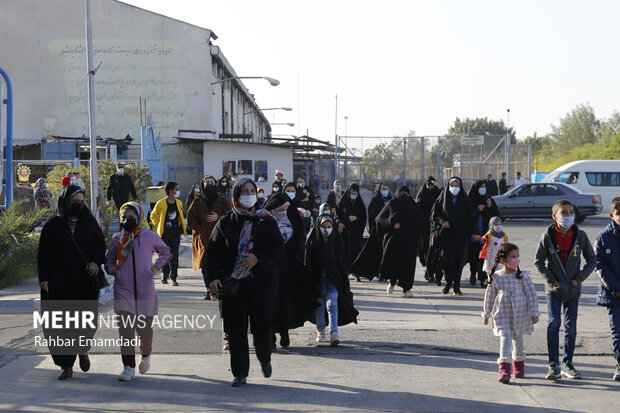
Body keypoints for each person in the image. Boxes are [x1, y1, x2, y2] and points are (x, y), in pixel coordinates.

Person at [204, 177, 284, 387]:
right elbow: (212, 253)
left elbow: (278, 247)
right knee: (236, 329)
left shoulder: (266, 219)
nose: (249, 195)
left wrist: (257, 258)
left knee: (262, 328)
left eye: (252, 191)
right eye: (244, 191)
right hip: (233, 286)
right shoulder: (226, 221)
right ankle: (240, 372)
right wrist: (212, 278)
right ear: (236, 195)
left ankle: (264, 358)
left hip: (262, 283)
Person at [37, 185, 105, 380]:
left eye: (82, 202)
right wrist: (44, 279)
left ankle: (82, 349)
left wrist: (95, 262)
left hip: (83, 283)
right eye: (74, 202)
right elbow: (43, 254)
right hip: (58, 284)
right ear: (65, 202)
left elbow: (100, 245)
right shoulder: (53, 225)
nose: (78, 205)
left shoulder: (90, 223)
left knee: (85, 323)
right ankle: (66, 365)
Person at [105, 201, 170, 382]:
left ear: (139, 217)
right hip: (123, 288)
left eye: (131, 217)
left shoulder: (148, 236)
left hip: (145, 289)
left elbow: (165, 251)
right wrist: (113, 270)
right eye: (123, 217)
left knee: (144, 330)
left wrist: (157, 267)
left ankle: (146, 354)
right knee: (125, 329)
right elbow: (109, 259)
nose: (127, 220)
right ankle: (128, 367)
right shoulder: (118, 238)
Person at [534, 199, 595, 380]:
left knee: (571, 327)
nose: (568, 216)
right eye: (563, 213)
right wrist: (552, 281)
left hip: (573, 290)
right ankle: (553, 364)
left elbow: (592, 260)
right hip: (554, 290)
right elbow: (539, 262)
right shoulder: (548, 235)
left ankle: (567, 363)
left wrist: (578, 279)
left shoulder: (581, 235)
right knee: (554, 324)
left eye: (571, 212)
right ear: (555, 216)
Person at [263, 192, 318, 349]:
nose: (284, 212)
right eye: (281, 209)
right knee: (269, 302)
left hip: (289, 270)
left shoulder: (294, 221)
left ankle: (284, 331)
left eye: (287, 208)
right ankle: (271, 334)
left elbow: (300, 242)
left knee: (287, 301)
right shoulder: (264, 221)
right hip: (269, 269)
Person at [483, 243, 540, 383]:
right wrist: (486, 313)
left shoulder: (522, 276)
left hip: (520, 314)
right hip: (503, 315)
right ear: (503, 260)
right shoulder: (496, 278)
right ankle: (504, 370)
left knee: (518, 342)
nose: (516, 259)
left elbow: (531, 295)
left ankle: (518, 366)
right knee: (505, 340)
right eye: (513, 257)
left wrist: (534, 312)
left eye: (517, 256)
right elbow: (489, 297)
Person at [352, 186, 423, 296]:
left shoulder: (412, 205)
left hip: (409, 243)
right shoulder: (392, 204)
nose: (405, 194)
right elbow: (379, 220)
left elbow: (419, 220)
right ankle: (392, 283)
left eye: (407, 192)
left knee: (408, 266)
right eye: (402, 192)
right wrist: (391, 223)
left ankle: (407, 289)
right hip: (394, 242)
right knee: (394, 265)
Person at [305, 214, 358, 346]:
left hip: (333, 279)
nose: (326, 229)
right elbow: (308, 263)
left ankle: (334, 332)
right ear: (318, 227)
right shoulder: (312, 241)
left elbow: (342, 262)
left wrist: (344, 281)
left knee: (332, 304)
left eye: (329, 227)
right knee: (319, 306)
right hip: (317, 280)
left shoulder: (337, 240)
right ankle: (321, 331)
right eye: (323, 227)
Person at [429, 177, 480, 295]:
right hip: (447, 235)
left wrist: (476, 232)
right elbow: (435, 214)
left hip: (462, 236)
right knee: (447, 260)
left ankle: (456, 286)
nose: (454, 188)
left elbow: (471, 217)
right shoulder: (443, 197)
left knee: (459, 261)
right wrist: (443, 222)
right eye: (452, 185)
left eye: (457, 185)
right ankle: (448, 283)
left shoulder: (465, 200)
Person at [187, 175, 232, 284]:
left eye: (212, 182)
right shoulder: (197, 201)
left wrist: (218, 217)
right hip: (203, 239)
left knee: (219, 262)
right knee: (205, 264)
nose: (210, 184)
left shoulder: (222, 201)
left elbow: (230, 216)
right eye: (207, 182)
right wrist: (201, 229)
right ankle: (209, 288)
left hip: (220, 238)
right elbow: (190, 220)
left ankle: (218, 286)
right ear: (203, 184)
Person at [594, 197, 620, 381]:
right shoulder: (603, 237)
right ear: (612, 215)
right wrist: (616, 288)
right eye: (619, 214)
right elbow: (600, 266)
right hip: (614, 294)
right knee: (617, 331)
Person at [150, 181, 187, 286]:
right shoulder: (161, 203)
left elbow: (180, 216)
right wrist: (158, 224)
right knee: (165, 254)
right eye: (176, 189)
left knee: (174, 255)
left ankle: (174, 277)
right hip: (164, 232)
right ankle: (164, 275)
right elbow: (153, 215)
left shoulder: (179, 203)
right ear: (170, 191)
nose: (178, 191)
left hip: (175, 231)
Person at [468, 180, 501, 287]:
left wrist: (490, 206)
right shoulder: (470, 200)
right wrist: (476, 209)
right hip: (474, 234)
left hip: (486, 234)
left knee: (484, 257)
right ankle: (473, 274)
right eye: (481, 187)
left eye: (484, 187)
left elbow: (498, 217)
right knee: (473, 256)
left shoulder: (489, 199)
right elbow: (466, 215)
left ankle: (483, 278)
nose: (483, 189)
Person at [336, 183, 367, 276]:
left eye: (355, 192)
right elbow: (337, 216)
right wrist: (339, 223)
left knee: (355, 251)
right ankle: (345, 270)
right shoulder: (342, 202)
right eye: (352, 192)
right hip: (345, 232)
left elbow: (364, 217)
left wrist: (356, 218)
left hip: (356, 233)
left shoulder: (360, 203)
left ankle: (355, 271)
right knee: (344, 251)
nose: (353, 194)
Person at [416, 176, 442, 282]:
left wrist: (438, 186)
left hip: (436, 227)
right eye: (428, 185)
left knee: (436, 251)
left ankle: (430, 272)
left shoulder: (438, 194)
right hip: (425, 229)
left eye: (432, 185)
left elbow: (444, 195)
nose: (430, 187)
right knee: (426, 251)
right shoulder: (422, 196)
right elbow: (417, 208)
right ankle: (429, 271)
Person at [479, 216, 508, 284]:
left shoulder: (504, 236)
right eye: (496, 224)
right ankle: (491, 284)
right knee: (491, 273)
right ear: (491, 225)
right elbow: (482, 241)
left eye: (500, 224)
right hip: (490, 258)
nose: (498, 226)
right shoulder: (489, 235)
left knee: (500, 272)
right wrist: (481, 239)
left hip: (500, 258)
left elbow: (506, 245)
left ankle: (498, 285)